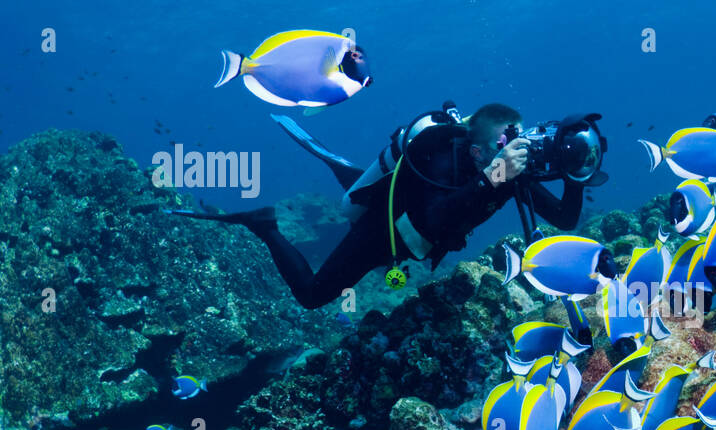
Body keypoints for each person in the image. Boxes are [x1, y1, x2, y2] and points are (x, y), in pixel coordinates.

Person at [172, 102, 600, 309]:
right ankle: (264, 224)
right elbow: (433, 218)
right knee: (312, 296)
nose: (515, 151)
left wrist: (575, 172)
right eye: (503, 144)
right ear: (475, 152)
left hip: (415, 236)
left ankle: (352, 175)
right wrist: (495, 177)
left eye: (518, 141)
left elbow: (564, 218)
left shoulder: (509, 170)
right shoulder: (444, 158)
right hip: (385, 233)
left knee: (368, 185)